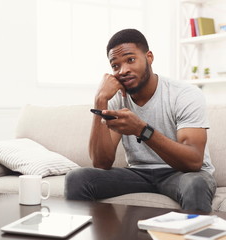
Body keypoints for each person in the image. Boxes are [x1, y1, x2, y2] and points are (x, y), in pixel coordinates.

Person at [64, 29, 216, 213]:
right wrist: (100, 101)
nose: (123, 70)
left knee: (196, 184)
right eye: (115, 66)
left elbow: (193, 163)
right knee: (77, 178)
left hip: (182, 175)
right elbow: (101, 163)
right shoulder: (117, 100)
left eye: (130, 60)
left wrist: (142, 130)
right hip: (139, 173)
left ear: (149, 57)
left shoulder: (184, 94)